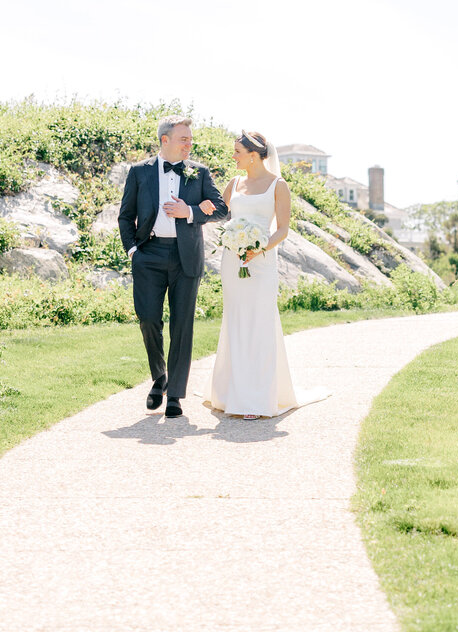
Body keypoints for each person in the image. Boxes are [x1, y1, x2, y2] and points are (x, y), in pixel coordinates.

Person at [200, 131, 329, 419]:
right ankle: (229, 393)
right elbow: (220, 214)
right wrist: (202, 210)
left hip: (262, 261)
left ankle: (256, 399)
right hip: (233, 260)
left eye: (237, 152)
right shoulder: (234, 183)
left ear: (254, 155)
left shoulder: (278, 185)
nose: (233, 156)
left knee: (259, 323)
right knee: (235, 320)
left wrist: (258, 248)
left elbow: (282, 228)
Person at [118, 115, 229, 418]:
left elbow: (221, 209)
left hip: (185, 257)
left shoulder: (199, 173)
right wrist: (132, 251)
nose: (189, 144)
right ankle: (159, 376)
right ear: (165, 140)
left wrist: (189, 211)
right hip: (149, 255)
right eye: (184, 139)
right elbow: (126, 216)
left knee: (183, 325)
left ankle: (175, 395)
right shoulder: (139, 172)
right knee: (148, 319)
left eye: (190, 139)